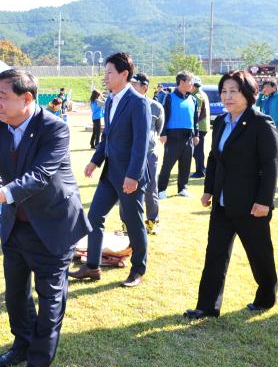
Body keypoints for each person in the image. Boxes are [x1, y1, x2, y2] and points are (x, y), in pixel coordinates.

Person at [0, 69, 90, 367]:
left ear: (27, 99)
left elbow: (39, 175)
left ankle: (38, 364)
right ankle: (21, 344)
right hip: (16, 223)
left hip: (53, 223)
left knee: (51, 297)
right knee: (15, 292)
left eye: (3, 97)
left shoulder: (53, 128)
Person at [184, 70, 278, 319]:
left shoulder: (261, 122)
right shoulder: (221, 122)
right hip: (223, 202)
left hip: (251, 204)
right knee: (215, 252)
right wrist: (208, 189)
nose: (227, 96)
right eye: (224, 91)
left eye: (233, 91)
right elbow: (215, 158)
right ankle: (207, 306)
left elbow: (271, 165)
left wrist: (264, 202)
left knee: (259, 253)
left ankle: (266, 297)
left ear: (248, 93)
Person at [69, 53, 150, 286]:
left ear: (124, 74)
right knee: (93, 217)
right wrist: (95, 161)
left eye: (110, 73)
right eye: (105, 73)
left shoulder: (138, 102)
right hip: (110, 173)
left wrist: (133, 176)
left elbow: (140, 143)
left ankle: (137, 270)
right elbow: (107, 136)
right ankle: (92, 266)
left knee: (134, 223)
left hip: (129, 175)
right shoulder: (111, 101)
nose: (106, 77)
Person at [130, 72, 164, 235]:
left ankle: (152, 221)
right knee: (127, 189)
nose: (132, 86)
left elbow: (158, 128)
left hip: (149, 153)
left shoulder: (156, 106)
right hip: (129, 153)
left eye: (135, 84)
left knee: (151, 189)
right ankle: (128, 223)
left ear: (145, 87)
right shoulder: (127, 104)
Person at [157, 71, 199, 198]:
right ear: (182, 82)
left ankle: (183, 188)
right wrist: (163, 133)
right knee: (167, 165)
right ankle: (161, 190)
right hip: (173, 136)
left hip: (188, 137)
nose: (192, 84)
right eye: (190, 81)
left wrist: (196, 134)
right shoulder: (169, 97)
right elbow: (163, 116)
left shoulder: (193, 99)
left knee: (186, 164)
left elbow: (195, 119)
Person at [255, 78, 278, 177]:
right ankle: (266, 168)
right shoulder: (266, 97)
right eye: (264, 87)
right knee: (263, 148)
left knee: (277, 148)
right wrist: (262, 94)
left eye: (267, 86)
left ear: (274, 87)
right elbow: (258, 104)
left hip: (276, 126)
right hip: (264, 126)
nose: (265, 88)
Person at [190, 77, 210, 178]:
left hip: (199, 126)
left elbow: (196, 114)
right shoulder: (201, 93)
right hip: (202, 126)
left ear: (193, 85)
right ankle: (202, 168)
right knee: (197, 150)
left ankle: (200, 171)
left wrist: (193, 126)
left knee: (197, 151)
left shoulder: (197, 96)